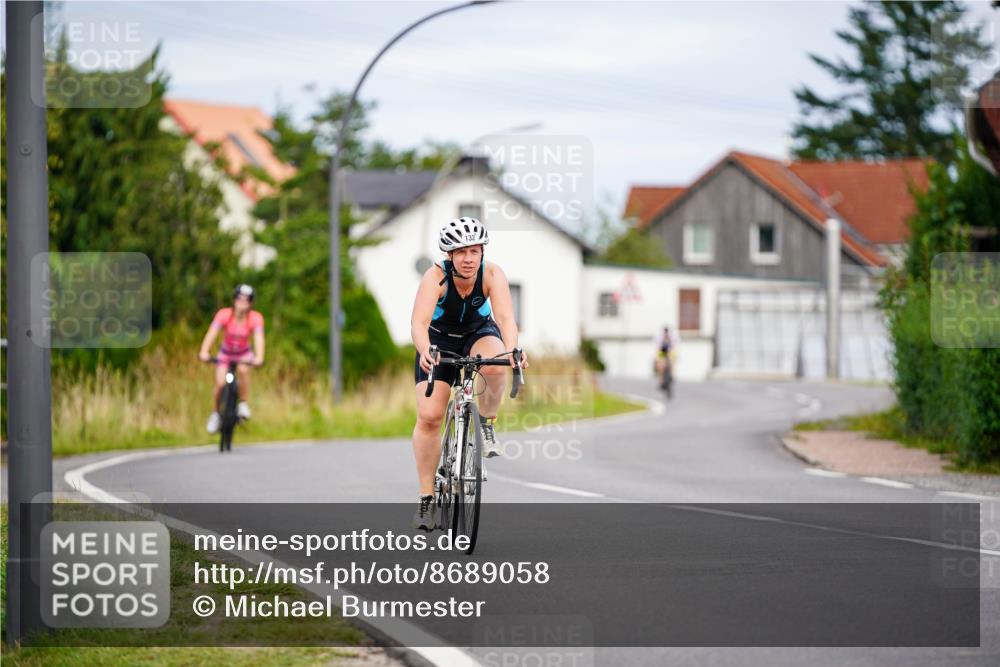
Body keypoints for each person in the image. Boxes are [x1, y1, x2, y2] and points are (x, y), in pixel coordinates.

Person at [409, 217, 528, 530]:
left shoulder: (492, 274)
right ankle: (426, 499)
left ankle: (486, 424)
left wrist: (513, 350)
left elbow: (504, 317)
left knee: (496, 361)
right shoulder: (435, 277)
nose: (468, 258)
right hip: (439, 339)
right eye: (461, 252)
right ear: (449, 255)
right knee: (430, 417)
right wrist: (425, 351)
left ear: (482, 252)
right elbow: (419, 324)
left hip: (478, 332)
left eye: (474, 251)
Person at [198, 284, 265, 434]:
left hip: (244, 354)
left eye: (246, 300)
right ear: (234, 300)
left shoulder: (255, 318)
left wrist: (259, 357)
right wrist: (204, 351)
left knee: (243, 370)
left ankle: (243, 403)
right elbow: (212, 333)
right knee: (221, 382)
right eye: (239, 299)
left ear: (250, 304)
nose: (242, 303)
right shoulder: (224, 314)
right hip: (226, 354)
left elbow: (259, 338)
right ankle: (215, 413)